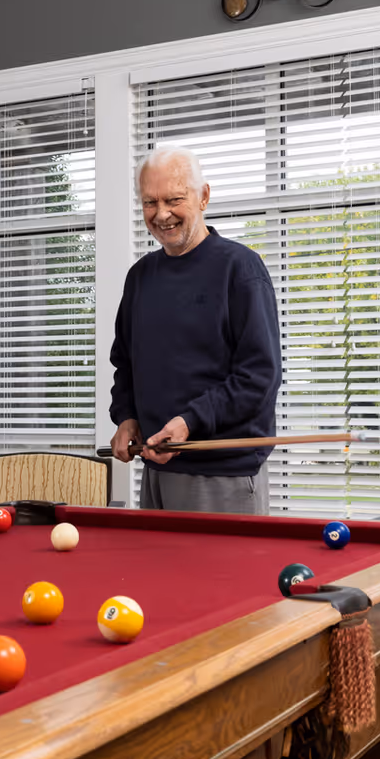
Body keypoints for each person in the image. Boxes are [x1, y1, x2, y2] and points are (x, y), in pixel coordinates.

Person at [108, 146, 282, 513]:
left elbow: (258, 377)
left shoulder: (241, 269)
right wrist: (126, 416)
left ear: (203, 197)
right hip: (156, 469)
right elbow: (125, 364)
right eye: (150, 202)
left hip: (223, 476)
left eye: (174, 199)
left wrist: (190, 422)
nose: (162, 214)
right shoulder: (139, 277)